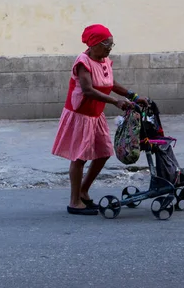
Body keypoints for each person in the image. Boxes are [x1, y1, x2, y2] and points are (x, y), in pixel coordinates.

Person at [52, 24, 148, 215]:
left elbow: (110, 83)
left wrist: (133, 96)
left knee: (103, 152)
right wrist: (115, 102)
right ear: (94, 43)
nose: (109, 49)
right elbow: (87, 90)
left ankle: (83, 191)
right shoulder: (83, 61)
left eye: (111, 45)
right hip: (80, 116)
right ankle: (74, 202)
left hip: (95, 115)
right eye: (107, 45)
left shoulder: (104, 61)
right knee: (79, 157)